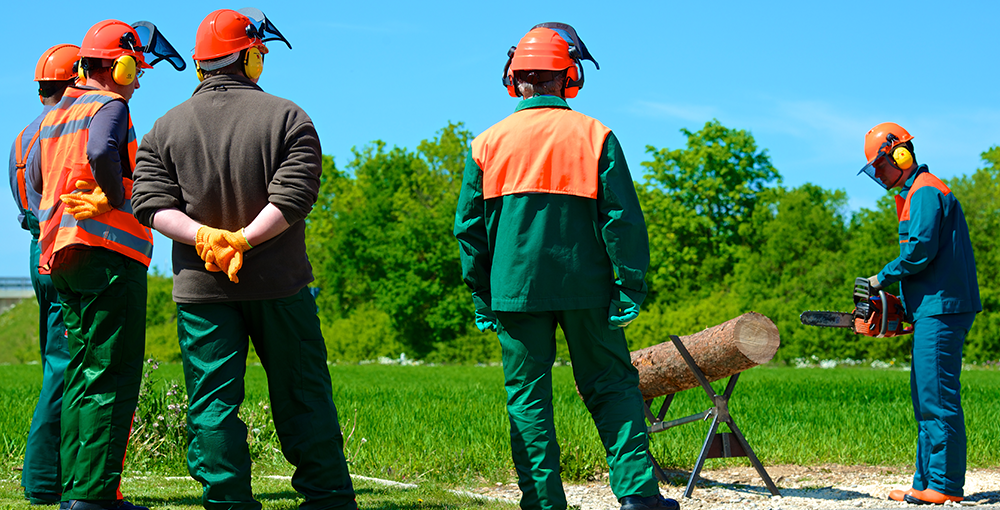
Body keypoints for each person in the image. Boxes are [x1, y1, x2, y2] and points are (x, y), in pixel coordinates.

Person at [130, 8, 357, 510]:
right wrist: (244, 242)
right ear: (251, 57)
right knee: (303, 395)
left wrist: (208, 237)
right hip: (280, 285)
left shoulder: (163, 128)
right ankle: (327, 499)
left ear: (199, 66)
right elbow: (294, 198)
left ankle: (227, 501)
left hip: (202, 291)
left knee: (212, 403)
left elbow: (149, 204)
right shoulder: (288, 116)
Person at [453, 23, 677, 510]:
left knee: (528, 399)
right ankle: (638, 497)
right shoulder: (596, 134)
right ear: (570, 76)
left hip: (513, 289)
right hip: (588, 288)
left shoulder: (486, 143)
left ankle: (543, 502)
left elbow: (469, 230)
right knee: (613, 385)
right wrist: (629, 285)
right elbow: (621, 220)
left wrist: (481, 294)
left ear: (514, 80)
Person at [37, 19, 184, 510]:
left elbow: (39, 175)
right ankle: (95, 497)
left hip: (64, 255)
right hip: (108, 256)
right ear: (118, 65)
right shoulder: (110, 105)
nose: (139, 80)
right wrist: (118, 194)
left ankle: (76, 491)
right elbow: (102, 151)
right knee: (111, 375)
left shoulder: (57, 113)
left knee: (80, 375)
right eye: (137, 69)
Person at [858, 122, 981, 506]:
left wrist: (881, 279)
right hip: (932, 308)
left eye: (880, 165)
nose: (878, 174)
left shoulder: (926, 191)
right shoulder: (916, 191)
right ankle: (923, 481)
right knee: (925, 396)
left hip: (943, 308)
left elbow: (918, 253)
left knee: (938, 397)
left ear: (900, 153)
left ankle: (943, 485)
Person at [8, 43, 78, 507]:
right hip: (66, 252)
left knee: (57, 361)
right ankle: (46, 480)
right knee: (66, 367)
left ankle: (45, 477)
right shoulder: (67, 131)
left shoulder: (21, 138)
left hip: (37, 251)